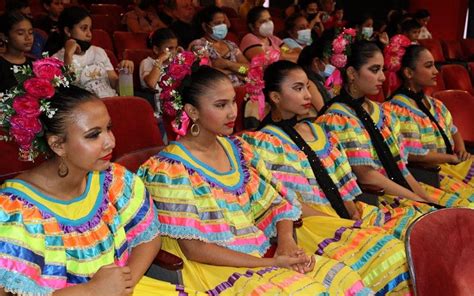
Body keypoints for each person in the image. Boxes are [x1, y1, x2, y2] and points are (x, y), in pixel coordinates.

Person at [138, 52, 374, 295]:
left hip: (261, 254)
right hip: (215, 269)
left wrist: (286, 244)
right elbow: (196, 250)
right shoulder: (167, 170)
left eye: (232, 102)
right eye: (221, 105)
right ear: (192, 111)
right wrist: (272, 263)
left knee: (345, 279)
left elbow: (277, 201)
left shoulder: (238, 149)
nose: (232, 113)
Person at [0, 59, 205, 296]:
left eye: (109, 128)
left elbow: (148, 237)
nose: (111, 141)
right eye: (93, 135)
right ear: (57, 144)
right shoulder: (15, 212)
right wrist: (91, 291)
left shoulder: (113, 181)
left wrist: (125, 283)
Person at [244, 60, 424, 241]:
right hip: (313, 224)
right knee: (389, 247)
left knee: (415, 225)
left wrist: (351, 210)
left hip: (342, 215)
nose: (308, 96)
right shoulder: (264, 143)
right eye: (298, 89)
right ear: (275, 97)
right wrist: (339, 222)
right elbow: (287, 202)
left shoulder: (316, 130)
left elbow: (340, 185)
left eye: (307, 87)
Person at [317, 38, 471, 208]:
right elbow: (367, 176)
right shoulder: (337, 119)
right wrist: (418, 199)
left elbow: (401, 168)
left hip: (400, 189)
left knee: (456, 207)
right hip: (375, 199)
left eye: (382, 69)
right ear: (352, 73)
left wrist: (426, 199)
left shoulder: (382, 112)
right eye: (374, 70)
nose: (382, 77)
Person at [384, 43, 474, 198]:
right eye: (428, 66)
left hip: (451, 164)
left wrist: (461, 150)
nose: (435, 71)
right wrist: (450, 158)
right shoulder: (395, 110)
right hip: (428, 174)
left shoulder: (435, 104)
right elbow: (411, 154)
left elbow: (453, 130)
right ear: (408, 72)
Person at [50, 6, 134, 98]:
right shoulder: (55, 60)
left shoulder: (99, 52)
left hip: (113, 102)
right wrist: (68, 56)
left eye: (90, 29)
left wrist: (125, 72)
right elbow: (67, 93)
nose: (89, 34)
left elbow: (117, 87)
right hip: (87, 108)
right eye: (83, 28)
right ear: (68, 31)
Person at [189, 5, 249, 86]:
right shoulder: (199, 45)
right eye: (217, 23)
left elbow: (247, 69)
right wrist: (235, 71)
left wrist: (228, 64)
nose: (223, 26)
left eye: (223, 22)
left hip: (241, 90)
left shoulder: (231, 45)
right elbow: (207, 73)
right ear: (205, 26)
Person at [140, 28, 179, 112]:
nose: (174, 52)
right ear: (156, 49)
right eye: (170, 48)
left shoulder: (175, 64)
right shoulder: (147, 62)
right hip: (156, 108)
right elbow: (151, 83)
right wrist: (160, 60)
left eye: (176, 48)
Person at [0, 11, 34, 92]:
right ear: (4, 36)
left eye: (31, 32)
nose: (28, 37)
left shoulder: (35, 64)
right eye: (20, 33)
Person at [297, 40, 334, 107]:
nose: (329, 65)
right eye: (327, 61)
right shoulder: (309, 83)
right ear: (316, 61)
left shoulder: (318, 79)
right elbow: (322, 110)